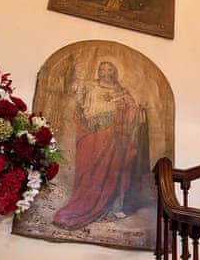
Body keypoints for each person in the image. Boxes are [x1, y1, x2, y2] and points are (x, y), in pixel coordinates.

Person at [53, 61, 141, 229]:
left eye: (109, 69)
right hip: (92, 135)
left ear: (114, 72)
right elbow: (78, 104)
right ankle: (84, 203)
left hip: (114, 135)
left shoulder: (121, 91)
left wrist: (122, 110)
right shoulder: (90, 86)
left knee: (111, 172)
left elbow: (133, 110)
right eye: (102, 69)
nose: (105, 72)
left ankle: (107, 208)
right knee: (89, 170)